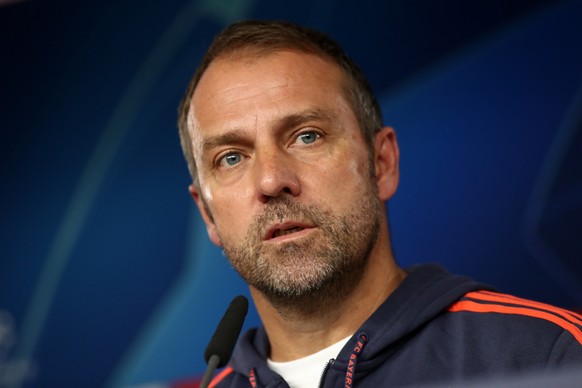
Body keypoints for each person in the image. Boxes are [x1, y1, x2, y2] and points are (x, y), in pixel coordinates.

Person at [177, 20, 582, 388]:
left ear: (382, 164)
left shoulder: (551, 356)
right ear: (207, 213)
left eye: (307, 136)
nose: (271, 181)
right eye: (231, 157)